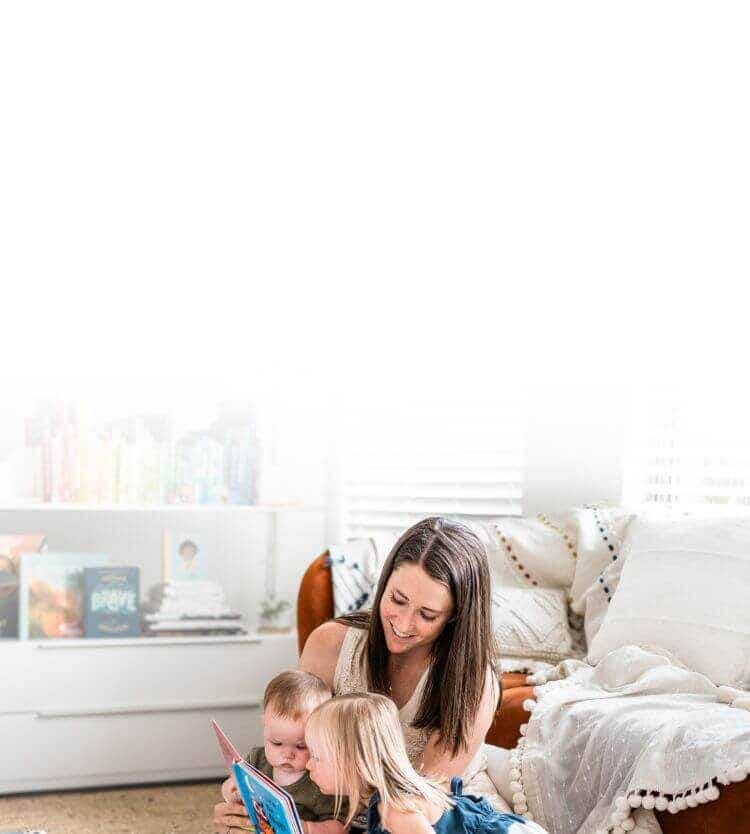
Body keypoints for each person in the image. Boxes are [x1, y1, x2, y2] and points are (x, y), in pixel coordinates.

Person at [299, 517, 506, 820]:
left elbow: (417, 806)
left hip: (440, 816)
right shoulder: (329, 646)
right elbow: (293, 748)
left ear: (454, 617)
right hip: (342, 815)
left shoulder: (473, 682)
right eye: (397, 599)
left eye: (427, 614)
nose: (403, 624)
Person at [305, 693, 546, 834]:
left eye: (316, 756)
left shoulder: (396, 809)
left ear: (355, 763)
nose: (307, 765)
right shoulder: (391, 800)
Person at [213, 670, 347, 834]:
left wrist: (305, 828)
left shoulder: (322, 780)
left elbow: (340, 828)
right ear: (265, 725)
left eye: (301, 746)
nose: (287, 754)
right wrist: (232, 789)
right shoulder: (256, 759)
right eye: (276, 743)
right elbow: (231, 784)